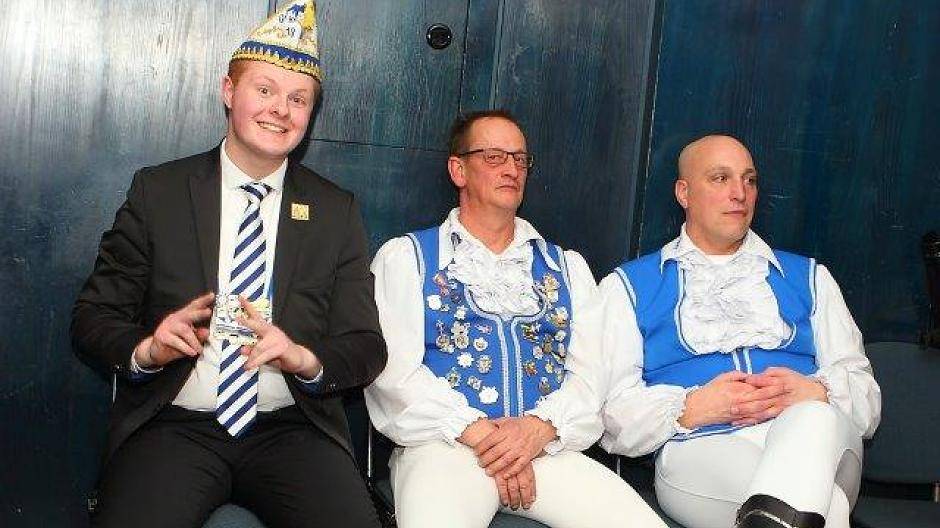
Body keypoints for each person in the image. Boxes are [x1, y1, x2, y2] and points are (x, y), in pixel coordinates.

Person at [70, 2, 386, 527]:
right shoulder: (159, 192)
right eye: (265, 90)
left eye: (298, 99)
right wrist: (147, 350)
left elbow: (365, 346)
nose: (280, 109)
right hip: (176, 423)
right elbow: (92, 319)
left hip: (292, 427)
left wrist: (303, 358)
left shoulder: (335, 210)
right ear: (228, 91)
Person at [364, 110, 666, 528]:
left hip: (546, 449)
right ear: (458, 170)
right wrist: (488, 438)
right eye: (494, 157)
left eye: (520, 159)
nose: (511, 169)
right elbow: (393, 375)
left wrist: (537, 430)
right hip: (442, 447)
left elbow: (591, 379)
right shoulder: (407, 258)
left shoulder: (568, 268)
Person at [599, 135, 881, 528]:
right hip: (701, 448)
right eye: (720, 178)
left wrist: (817, 392)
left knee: (812, 419)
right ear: (684, 193)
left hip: (826, 443)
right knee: (828, 507)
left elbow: (868, 402)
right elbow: (611, 415)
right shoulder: (628, 287)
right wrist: (691, 407)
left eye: (749, 180)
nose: (740, 193)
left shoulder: (811, 278)